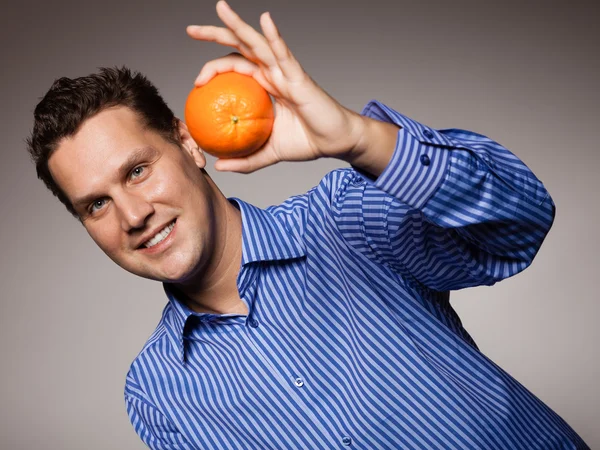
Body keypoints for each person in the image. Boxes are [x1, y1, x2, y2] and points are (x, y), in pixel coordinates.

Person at [26, 1, 589, 449]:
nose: (132, 215)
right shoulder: (158, 392)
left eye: (139, 170)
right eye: (95, 205)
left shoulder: (345, 220)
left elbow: (522, 219)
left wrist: (358, 138)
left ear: (188, 141)